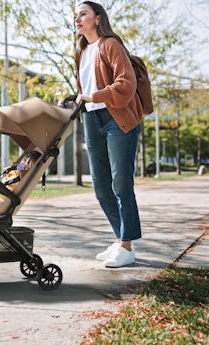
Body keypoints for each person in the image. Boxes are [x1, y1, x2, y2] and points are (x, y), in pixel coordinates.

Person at [74, 1, 143, 268]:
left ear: (98, 18)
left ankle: (126, 246)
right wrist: (79, 99)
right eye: (76, 16)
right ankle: (119, 239)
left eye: (83, 14)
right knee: (101, 186)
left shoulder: (110, 44)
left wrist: (94, 96)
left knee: (120, 183)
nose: (78, 20)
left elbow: (126, 84)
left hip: (118, 119)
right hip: (91, 118)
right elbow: (85, 89)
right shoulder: (81, 51)